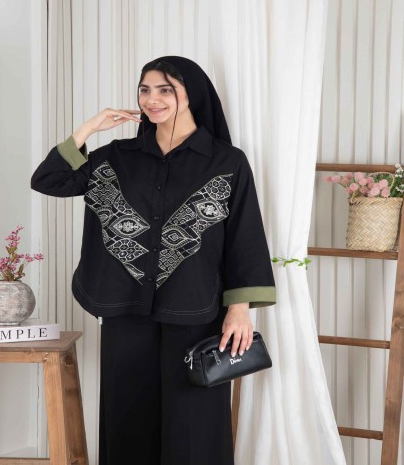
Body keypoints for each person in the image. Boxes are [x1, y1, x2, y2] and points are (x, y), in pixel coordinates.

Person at [31, 55, 276, 465]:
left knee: (195, 425)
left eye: (165, 90)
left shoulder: (226, 161)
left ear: (191, 95)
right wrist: (90, 127)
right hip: (125, 307)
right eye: (145, 89)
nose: (152, 99)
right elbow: (49, 180)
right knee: (127, 419)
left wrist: (240, 310)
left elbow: (244, 237)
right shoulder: (116, 156)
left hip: (195, 308)